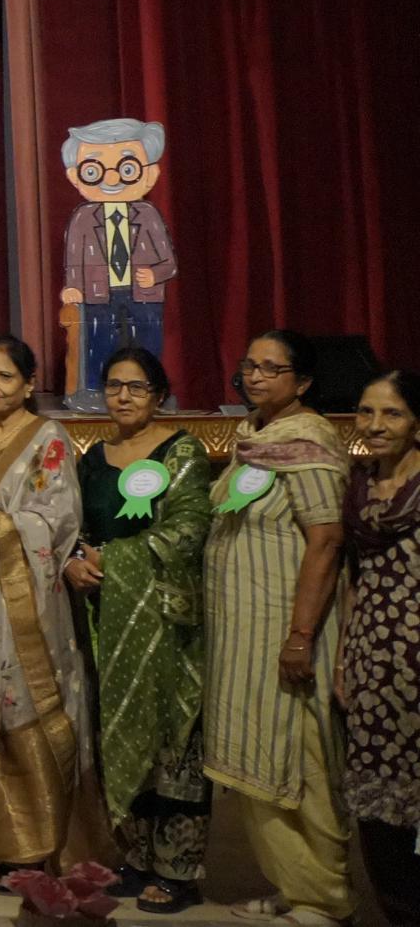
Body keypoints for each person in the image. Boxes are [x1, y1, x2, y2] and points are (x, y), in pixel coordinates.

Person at [206, 330, 353, 926]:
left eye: (272, 368)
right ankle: (294, 888)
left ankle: (325, 900)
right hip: (243, 637)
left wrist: (300, 636)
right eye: (250, 366)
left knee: (300, 760)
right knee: (257, 759)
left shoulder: (308, 443)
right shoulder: (254, 437)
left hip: (286, 635)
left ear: (304, 382)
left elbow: (327, 540)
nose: (257, 377)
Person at [0, 335, 98, 884]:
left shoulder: (46, 437)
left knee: (19, 704)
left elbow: (55, 519)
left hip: (22, 600)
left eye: (5, 376)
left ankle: (34, 846)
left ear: (29, 385)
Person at [71, 347, 213, 912]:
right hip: (107, 619)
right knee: (119, 732)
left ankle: (177, 871)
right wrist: (76, 561)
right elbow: (76, 529)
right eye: (113, 385)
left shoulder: (182, 451)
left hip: (166, 621)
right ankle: (133, 859)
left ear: (159, 395)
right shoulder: (92, 458)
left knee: (174, 740)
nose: (123, 396)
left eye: (136, 387)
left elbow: (190, 528)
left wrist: (114, 559)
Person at [340, 370, 420, 926]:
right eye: (366, 412)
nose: (375, 425)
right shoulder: (359, 483)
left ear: (416, 423)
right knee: (376, 792)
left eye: (391, 413)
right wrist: (344, 657)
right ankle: (397, 909)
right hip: (372, 656)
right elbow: (353, 577)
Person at [57, 120, 176, 409]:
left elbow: (169, 262)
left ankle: (151, 390)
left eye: (127, 169)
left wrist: (155, 274)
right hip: (97, 293)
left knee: (145, 341)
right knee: (99, 340)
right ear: (74, 176)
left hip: (144, 294)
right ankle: (94, 391)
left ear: (150, 173)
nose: (111, 179)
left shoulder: (148, 215)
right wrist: (72, 287)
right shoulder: (82, 218)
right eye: (93, 171)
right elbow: (74, 259)